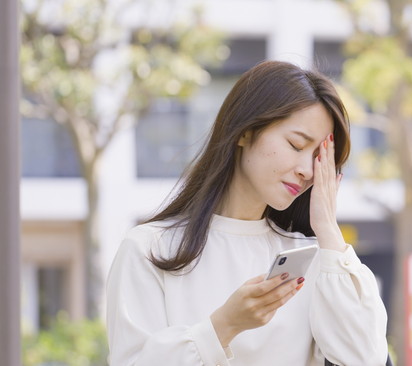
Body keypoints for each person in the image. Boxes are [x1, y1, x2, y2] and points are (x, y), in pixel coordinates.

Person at [106, 60, 389, 366]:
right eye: (296, 145)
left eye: (318, 157)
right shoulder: (149, 249)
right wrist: (224, 326)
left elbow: (365, 358)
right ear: (245, 132)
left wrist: (329, 231)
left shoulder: (317, 260)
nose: (307, 170)